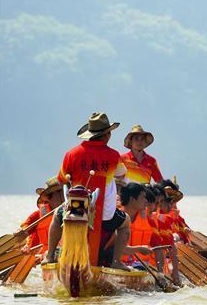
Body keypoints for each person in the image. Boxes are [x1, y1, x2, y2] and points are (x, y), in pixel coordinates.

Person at [46, 112, 128, 268]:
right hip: (104, 213)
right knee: (126, 223)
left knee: (57, 218)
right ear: (106, 135)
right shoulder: (113, 155)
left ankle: (50, 256)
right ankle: (117, 262)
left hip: (76, 208)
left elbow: (62, 179)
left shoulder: (71, 154)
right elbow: (121, 173)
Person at [18, 177, 64, 255]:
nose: (64, 198)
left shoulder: (75, 210)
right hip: (50, 258)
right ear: (49, 198)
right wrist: (27, 245)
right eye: (61, 194)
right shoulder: (38, 215)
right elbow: (27, 231)